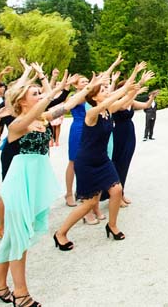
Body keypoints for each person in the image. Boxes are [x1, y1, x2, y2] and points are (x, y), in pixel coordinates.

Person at [0, 68, 88, 307]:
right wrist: (51, 90)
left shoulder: (42, 119)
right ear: (22, 100)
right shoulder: (17, 124)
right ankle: (21, 294)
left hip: (35, 181)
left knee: (14, 236)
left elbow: (70, 102)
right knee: (18, 237)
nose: (41, 95)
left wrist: (88, 86)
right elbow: (41, 105)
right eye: (35, 93)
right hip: (19, 182)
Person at [54, 63, 146, 250]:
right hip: (87, 162)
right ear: (94, 97)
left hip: (103, 160)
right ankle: (60, 233)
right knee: (90, 203)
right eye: (103, 90)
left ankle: (111, 225)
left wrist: (135, 78)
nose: (107, 91)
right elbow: (112, 99)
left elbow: (125, 100)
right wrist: (123, 89)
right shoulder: (92, 113)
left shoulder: (107, 110)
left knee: (117, 190)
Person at [110, 72, 155, 206]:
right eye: (129, 87)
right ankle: (115, 195)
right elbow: (123, 106)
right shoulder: (118, 101)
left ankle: (121, 193)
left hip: (130, 132)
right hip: (119, 133)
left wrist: (152, 97)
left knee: (126, 164)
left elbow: (146, 106)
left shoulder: (131, 100)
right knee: (119, 163)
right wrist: (137, 88)